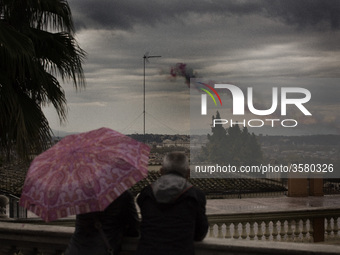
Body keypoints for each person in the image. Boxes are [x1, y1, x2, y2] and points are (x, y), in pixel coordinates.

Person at [136, 152, 208, 255]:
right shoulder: (196, 195)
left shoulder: (146, 193)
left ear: (161, 171)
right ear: (188, 173)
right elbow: (200, 233)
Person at [64, 190, 139, 255]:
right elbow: (134, 228)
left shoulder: (80, 194)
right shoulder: (122, 194)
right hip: (103, 250)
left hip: (74, 250)